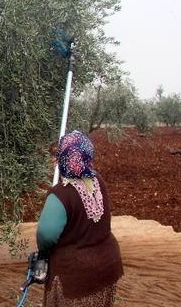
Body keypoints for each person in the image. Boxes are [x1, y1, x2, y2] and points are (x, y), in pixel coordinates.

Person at [35, 130, 123, 307]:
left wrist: (43, 254)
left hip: (75, 276)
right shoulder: (98, 180)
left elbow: (46, 235)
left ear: (63, 158)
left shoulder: (60, 195)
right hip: (107, 266)